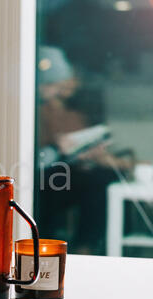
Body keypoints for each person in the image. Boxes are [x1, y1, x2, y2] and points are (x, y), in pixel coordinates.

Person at [36, 46, 133, 255]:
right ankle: (81, 246)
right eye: (54, 84)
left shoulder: (71, 112)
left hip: (63, 169)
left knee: (101, 178)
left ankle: (88, 244)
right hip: (42, 177)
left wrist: (81, 154)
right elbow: (36, 160)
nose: (60, 89)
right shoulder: (34, 111)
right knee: (94, 181)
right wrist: (57, 149)